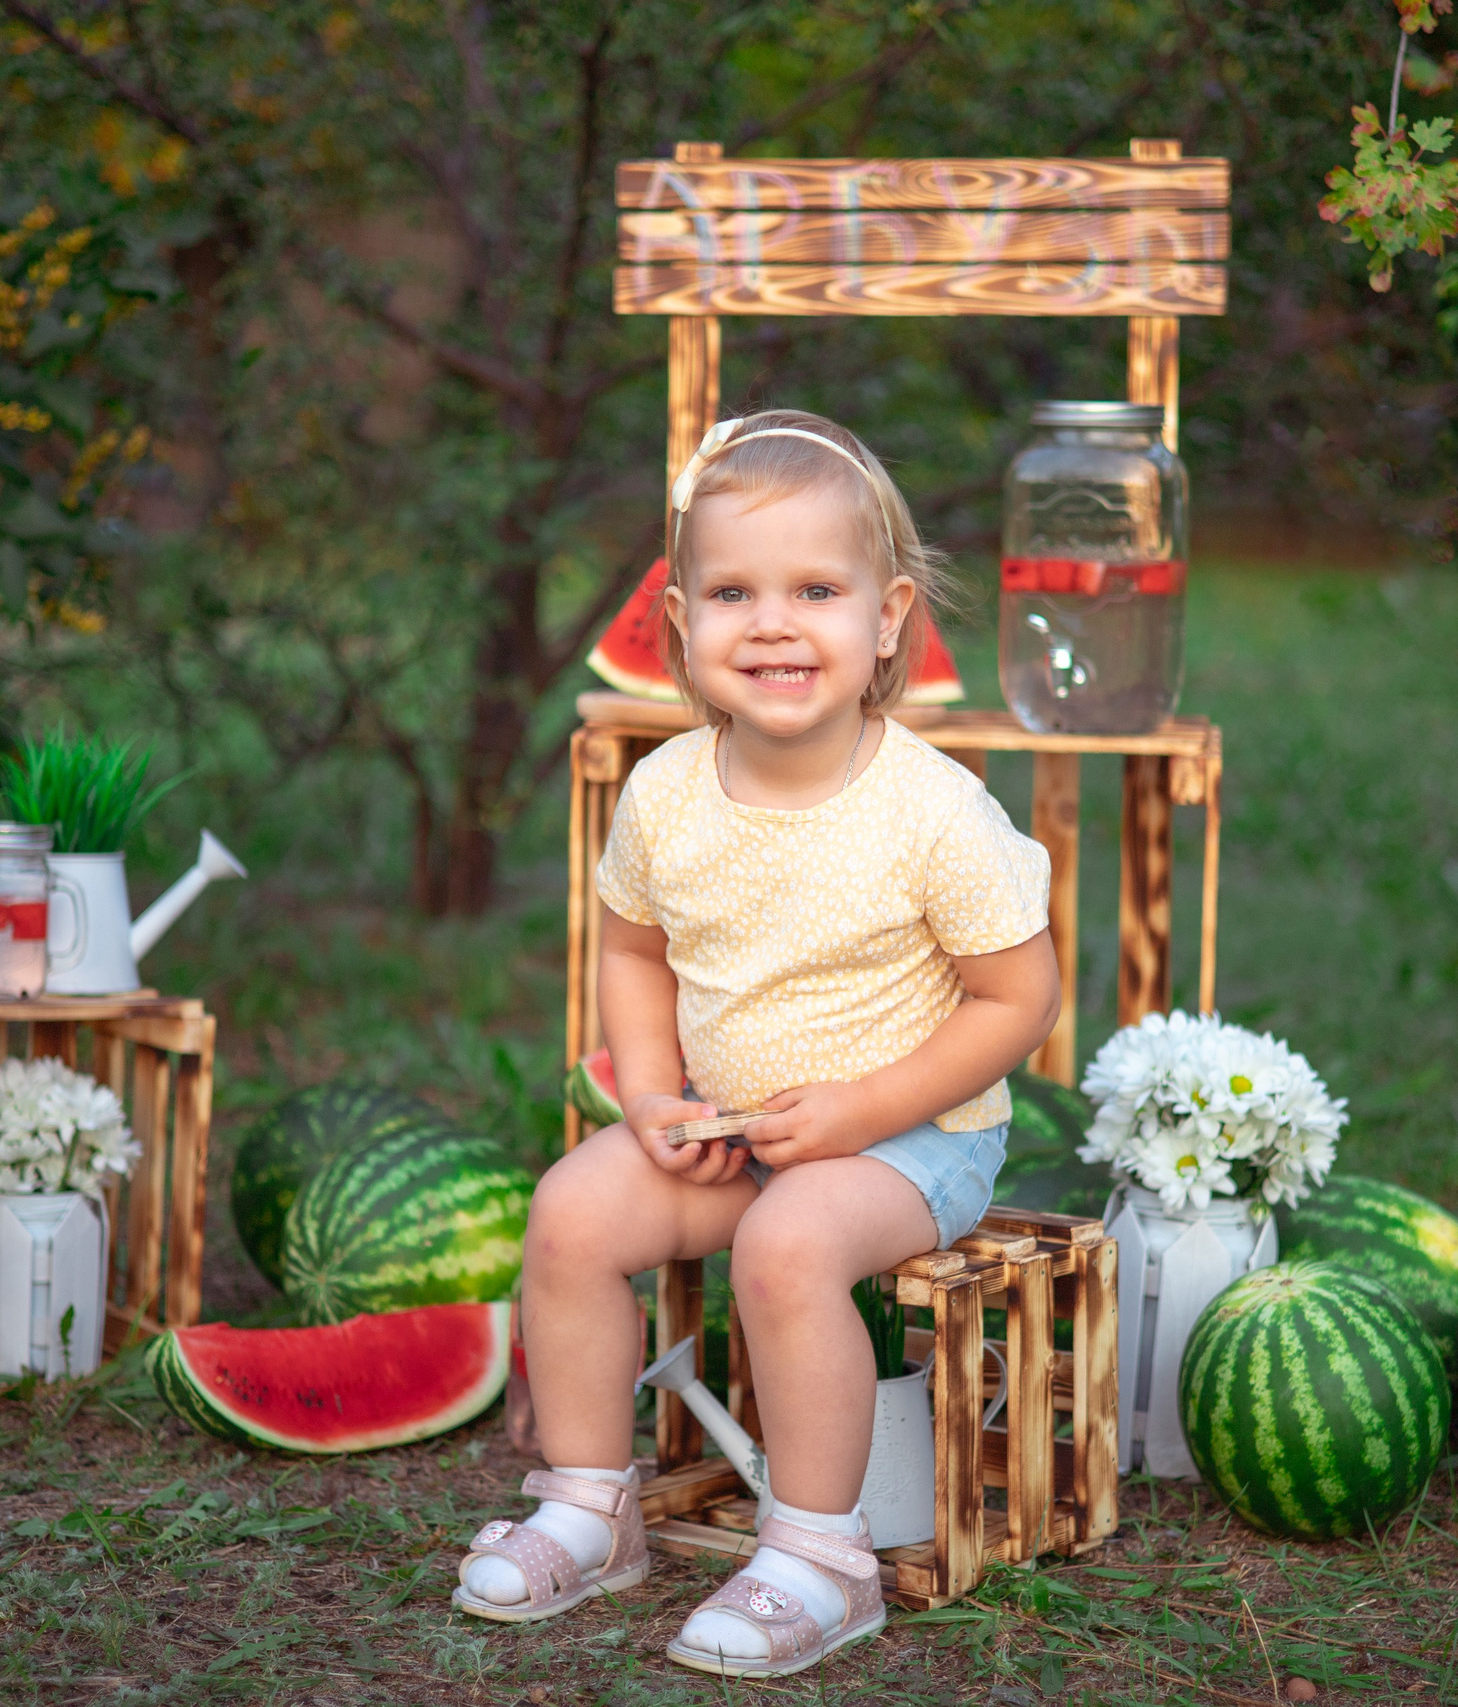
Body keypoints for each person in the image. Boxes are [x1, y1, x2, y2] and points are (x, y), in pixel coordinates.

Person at [451, 409, 1060, 1676]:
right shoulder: (669, 791)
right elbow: (630, 950)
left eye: (816, 591)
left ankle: (819, 1556)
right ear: (679, 624)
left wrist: (856, 1112)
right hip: (730, 1124)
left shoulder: (931, 809)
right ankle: (587, 1503)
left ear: (887, 619)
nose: (773, 624)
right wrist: (653, 1098)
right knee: (568, 1214)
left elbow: (1020, 1003)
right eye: (733, 591)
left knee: (787, 1247)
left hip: (912, 1136)